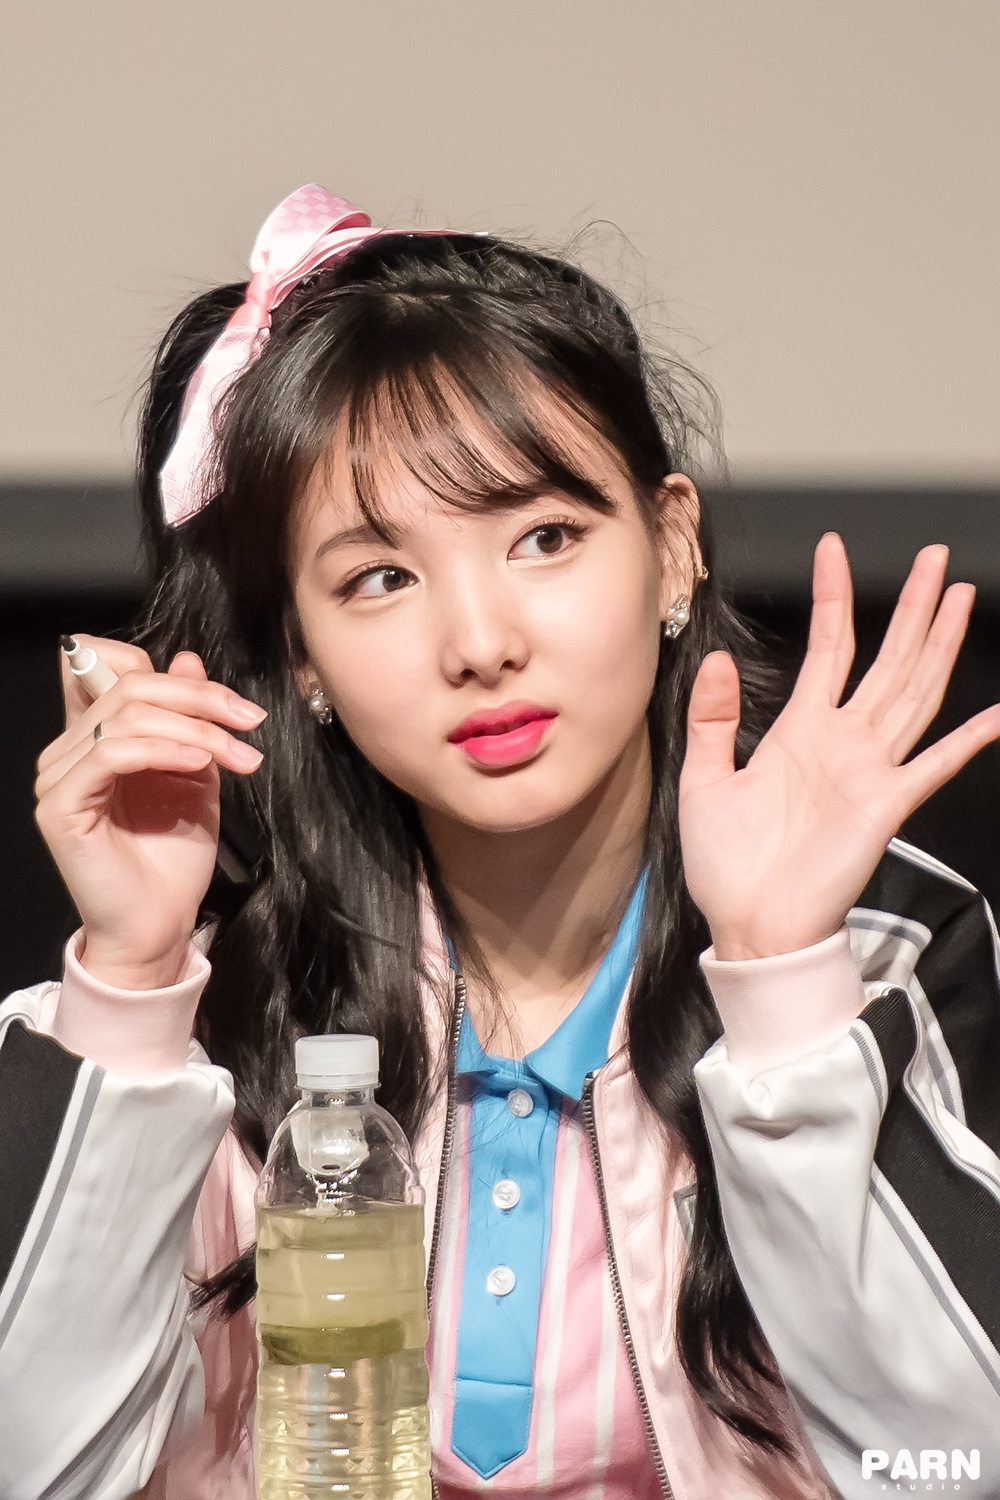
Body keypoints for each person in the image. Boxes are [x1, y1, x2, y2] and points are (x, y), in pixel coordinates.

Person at [2, 184, 1000, 1500]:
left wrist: (779, 987)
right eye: (380, 577)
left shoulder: (880, 950)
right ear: (302, 657)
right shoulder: (210, 999)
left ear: (673, 547)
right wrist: (130, 987)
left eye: (544, 537)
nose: (480, 643)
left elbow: (957, 1467)